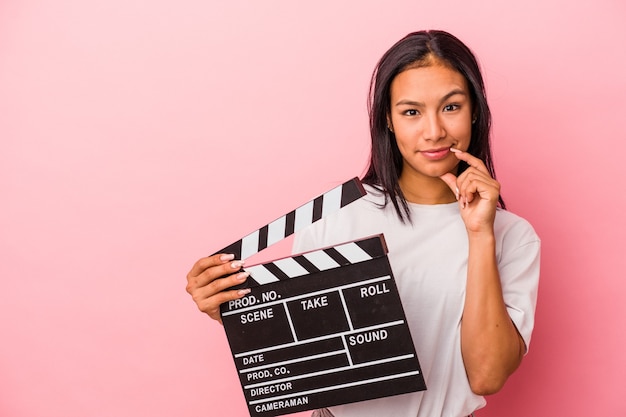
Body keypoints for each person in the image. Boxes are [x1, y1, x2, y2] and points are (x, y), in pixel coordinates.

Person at [186, 30, 540, 417]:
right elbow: (310, 352)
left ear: (475, 110)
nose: (434, 130)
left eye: (451, 107)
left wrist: (479, 234)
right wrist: (236, 312)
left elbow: (487, 377)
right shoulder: (334, 217)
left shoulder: (512, 236)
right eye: (411, 112)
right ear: (387, 119)